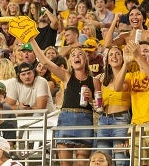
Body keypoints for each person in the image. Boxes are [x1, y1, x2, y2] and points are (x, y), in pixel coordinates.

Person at [30, 37, 101, 166]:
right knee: (65, 164)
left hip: (85, 119)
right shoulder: (67, 76)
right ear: (70, 61)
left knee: (82, 163)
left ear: (85, 60)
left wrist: (91, 99)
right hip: (66, 117)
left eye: (80, 54)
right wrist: (31, 40)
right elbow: (45, 62)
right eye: (73, 55)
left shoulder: (94, 81)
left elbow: (99, 107)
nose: (76, 57)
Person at [114, 41, 149, 166]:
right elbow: (117, 87)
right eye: (140, 51)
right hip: (137, 126)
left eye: (146, 51)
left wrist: (138, 56)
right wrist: (126, 63)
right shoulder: (132, 76)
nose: (141, 53)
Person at [96, 46, 131, 166]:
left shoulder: (129, 76)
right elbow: (99, 102)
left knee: (120, 160)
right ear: (107, 59)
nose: (114, 57)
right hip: (103, 120)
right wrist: (94, 103)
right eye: (111, 54)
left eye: (117, 54)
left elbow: (119, 87)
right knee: (102, 159)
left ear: (123, 57)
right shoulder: (103, 79)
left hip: (121, 120)